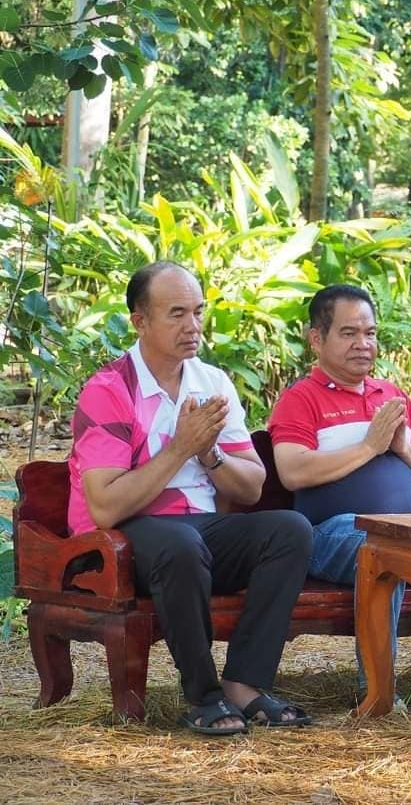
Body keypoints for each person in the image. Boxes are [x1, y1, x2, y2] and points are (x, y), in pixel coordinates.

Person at [68, 260, 314, 736]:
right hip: (119, 539)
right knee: (180, 544)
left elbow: (252, 486)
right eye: (177, 313)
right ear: (140, 321)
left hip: (196, 531)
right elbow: (106, 506)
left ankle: (245, 682)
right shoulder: (110, 390)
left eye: (198, 312)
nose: (193, 326)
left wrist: (209, 453)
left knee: (289, 530)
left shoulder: (212, 382)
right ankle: (203, 696)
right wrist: (180, 445)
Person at [268, 284, 411, 699]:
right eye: (349, 333)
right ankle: (378, 692)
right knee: (383, 550)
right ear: (317, 339)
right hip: (332, 535)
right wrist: (368, 446)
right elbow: (292, 471)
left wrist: (401, 447)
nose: (364, 345)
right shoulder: (300, 399)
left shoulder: (392, 395)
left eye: (371, 333)